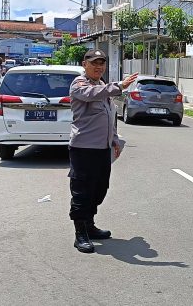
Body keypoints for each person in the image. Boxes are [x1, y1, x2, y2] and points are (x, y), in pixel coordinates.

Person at [68, 50, 139, 253]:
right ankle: (80, 233)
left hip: (102, 148)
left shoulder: (102, 86)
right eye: (94, 63)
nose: (99, 67)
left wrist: (115, 139)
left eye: (102, 64)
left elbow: (109, 116)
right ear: (85, 64)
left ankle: (89, 225)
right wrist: (119, 86)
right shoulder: (79, 84)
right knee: (82, 191)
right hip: (83, 148)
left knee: (100, 189)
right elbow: (91, 95)